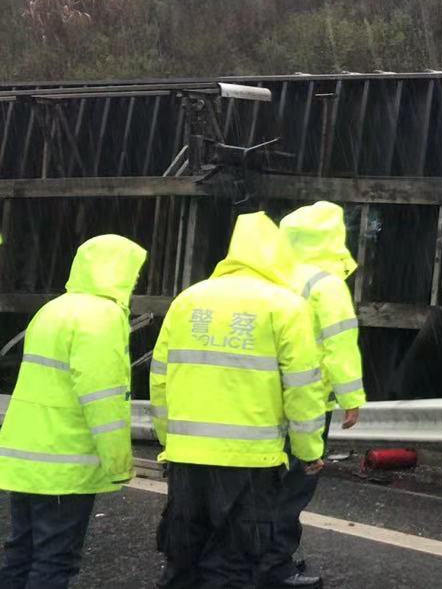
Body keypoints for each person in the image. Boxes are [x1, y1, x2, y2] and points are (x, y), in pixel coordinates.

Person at [152, 213, 329, 589]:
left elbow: (160, 378)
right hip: (249, 462)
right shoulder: (286, 306)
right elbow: (303, 389)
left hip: (187, 457)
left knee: (182, 559)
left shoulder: (188, 299)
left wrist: (170, 439)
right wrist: (308, 449)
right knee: (233, 565)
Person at [0, 234, 146, 589]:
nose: (137, 279)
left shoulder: (52, 309)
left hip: (26, 457)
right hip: (65, 461)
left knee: (21, 552)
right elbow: (103, 400)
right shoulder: (104, 318)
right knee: (55, 560)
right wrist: (118, 465)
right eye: (135, 271)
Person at [259, 202, 367, 588]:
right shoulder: (326, 284)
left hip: (263, 400)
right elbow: (339, 343)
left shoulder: (271, 276)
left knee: (264, 486)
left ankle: (251, 559)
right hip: (308, 402)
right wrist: (351, 396)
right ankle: (276, 567)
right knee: (295, 487)